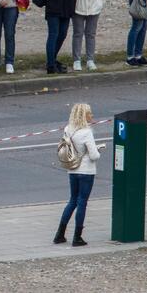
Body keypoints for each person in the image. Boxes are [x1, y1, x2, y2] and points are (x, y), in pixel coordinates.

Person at [53, 103, 103, 247]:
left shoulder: (68, 129)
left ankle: (60, 234)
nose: (91, 115)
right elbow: (94, 155)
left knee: (72, 200)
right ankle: (77, 237)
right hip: (86, 171)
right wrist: (98, 151)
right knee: (82, 202)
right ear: (83, 115)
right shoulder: (87, 132)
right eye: (89, 113)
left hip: (72, 169)